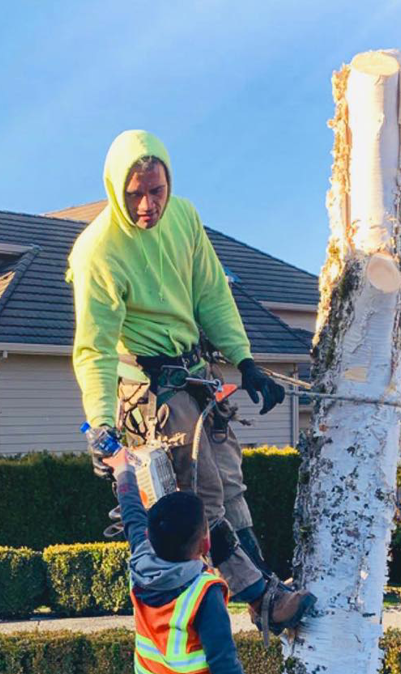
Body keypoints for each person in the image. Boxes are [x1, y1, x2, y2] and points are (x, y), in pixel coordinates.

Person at [67, 128, 315, 637]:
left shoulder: (184, 218)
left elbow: (211, 294)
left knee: (230, 483)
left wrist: (245, 361)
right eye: (135, 194)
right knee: (203, 499)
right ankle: (261, 596)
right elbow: (93, 348)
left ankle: (264, 584)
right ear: (117, 188)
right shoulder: (98, 251)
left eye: (156, 191)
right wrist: (100, 423)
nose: (147, 205)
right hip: (151, 390)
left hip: (197, 376)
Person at [104, 448, 268, 674]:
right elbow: (223, 660)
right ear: (206, 545)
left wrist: (123, 470)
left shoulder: (140, 558)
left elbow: (133, 512)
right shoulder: (204, 593)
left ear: (149, 535)